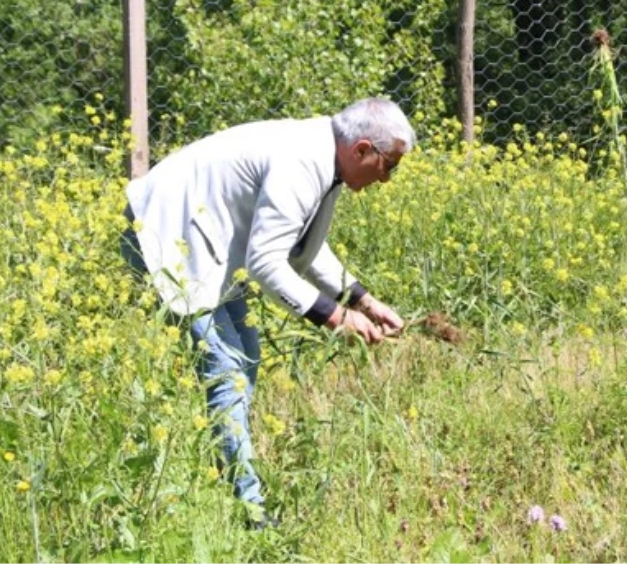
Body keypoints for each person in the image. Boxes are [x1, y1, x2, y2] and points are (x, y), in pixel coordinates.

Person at [119, 97, 413, 527]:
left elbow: (305, 246)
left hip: (205, 241)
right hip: (164, 230)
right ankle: (249, 513)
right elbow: (267, 262)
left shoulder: (324, 158)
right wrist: (336, 318)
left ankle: (224, 472)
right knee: (227, 370)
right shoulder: (302, 160)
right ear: (362, 150)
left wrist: (362, 300)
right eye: (390, 166)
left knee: (246, 355)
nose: (387, 179)